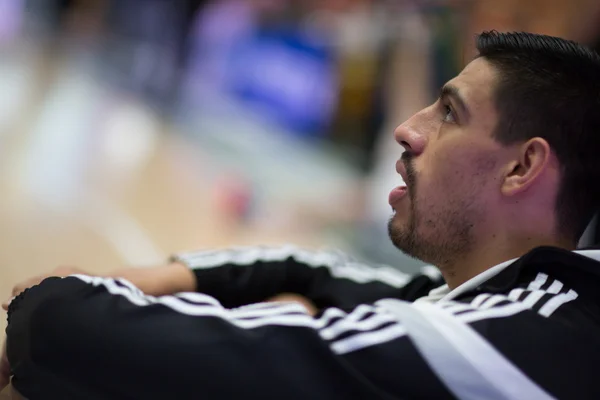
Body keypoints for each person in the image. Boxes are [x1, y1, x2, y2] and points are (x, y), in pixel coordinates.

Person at [3, 30, 600, 399]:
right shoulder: (512, 297)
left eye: (448, 112)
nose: (406, 129)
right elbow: (316, 273)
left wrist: (59, 296)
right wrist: (160, 277)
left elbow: (81, 332)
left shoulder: (534, 340)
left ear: (522, 168)